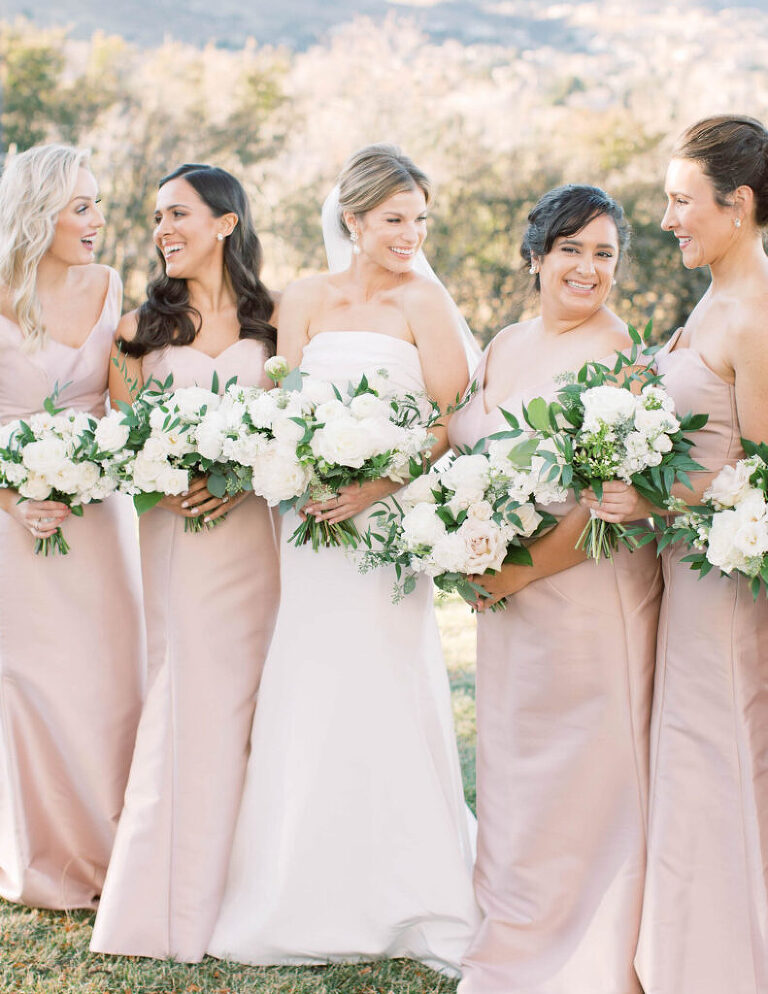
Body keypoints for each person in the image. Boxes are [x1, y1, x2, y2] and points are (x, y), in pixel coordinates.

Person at [208, 143, 480, 975]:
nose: (410, 234)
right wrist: (292, 465)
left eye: (420, 220)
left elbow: (448, 422)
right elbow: (283, 403)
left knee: (386, 685)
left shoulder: (424, 301)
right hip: (310, 527)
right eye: (395, 219)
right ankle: (299, 890)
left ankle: (405, 886)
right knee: (311, 683)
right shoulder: (305, 298)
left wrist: (375, 488)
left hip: (383, 529)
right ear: (352, 218)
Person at [448, 184, 662, 993]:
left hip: (586, 599)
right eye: (571, 249)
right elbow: (466, 451)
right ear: (536, 256)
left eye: (604, 253)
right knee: (512, 772)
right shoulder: (504, 344)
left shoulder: (627, 360)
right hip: (509, 605)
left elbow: (617, 509)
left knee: (590, 779)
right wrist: (461, 543)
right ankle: (514, 943)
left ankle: (588, 958)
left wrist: (512, 570)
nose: (587, 268)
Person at [584, 116, 768, 994]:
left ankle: (721, 965)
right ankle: (683, 950)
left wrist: (658, 496)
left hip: (725, 588)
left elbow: (761, 483)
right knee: (686, 754)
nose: (667, 219)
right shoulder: (713, 296)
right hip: (683, 576)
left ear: (739, 206)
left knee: (718, 752)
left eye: (681, 201)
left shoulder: (756, 312)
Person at [90, 164, 280, 962]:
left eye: (179, 214)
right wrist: (167, 482)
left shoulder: (276, 320)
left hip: (253, 539)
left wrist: (242, 475)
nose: (163, 230)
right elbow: (123, 436)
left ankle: (257, 888)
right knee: (185, 698)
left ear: (226, 222)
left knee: (255, 706)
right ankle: (158, 898)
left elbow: (296, 424)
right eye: (157, 219)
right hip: (177, 534)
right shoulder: (140, 326)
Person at [0, 144, 144, 908]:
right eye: (80, 206)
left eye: (96, 204)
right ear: (38, 212)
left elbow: (127, 408)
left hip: (97, 519)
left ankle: (122, 850)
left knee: (111, 675)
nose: (96, 220)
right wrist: (15, 499)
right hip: (10, 525)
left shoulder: (112, 286)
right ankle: (41, 858)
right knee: (27, 684)